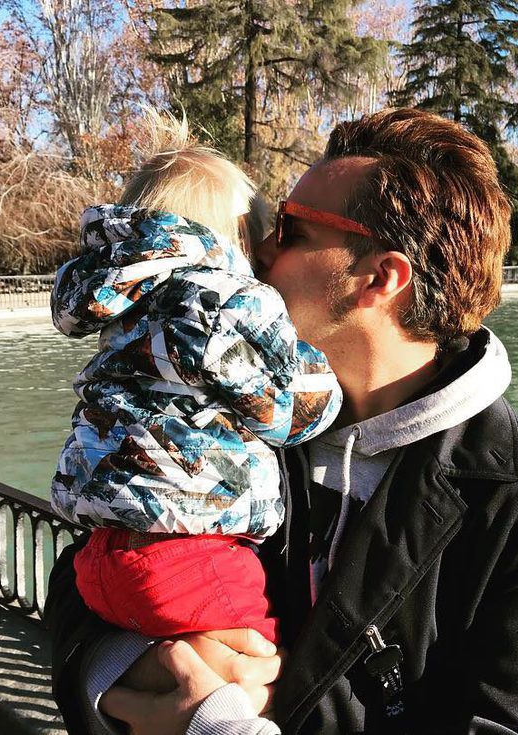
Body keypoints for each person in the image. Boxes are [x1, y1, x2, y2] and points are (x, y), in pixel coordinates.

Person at [45, 108, 518, 735]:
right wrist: (129, 672)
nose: (256, 251)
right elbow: (88, 571)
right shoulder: (225, 406)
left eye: (288, 230)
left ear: (380, 277)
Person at [48, 112, 342, 648]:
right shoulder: (227, 297)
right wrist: (327, 384)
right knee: (269, 676)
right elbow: (291, 412)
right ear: (236, 238)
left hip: (100, 555)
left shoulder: (117, 292)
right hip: (190, 550)